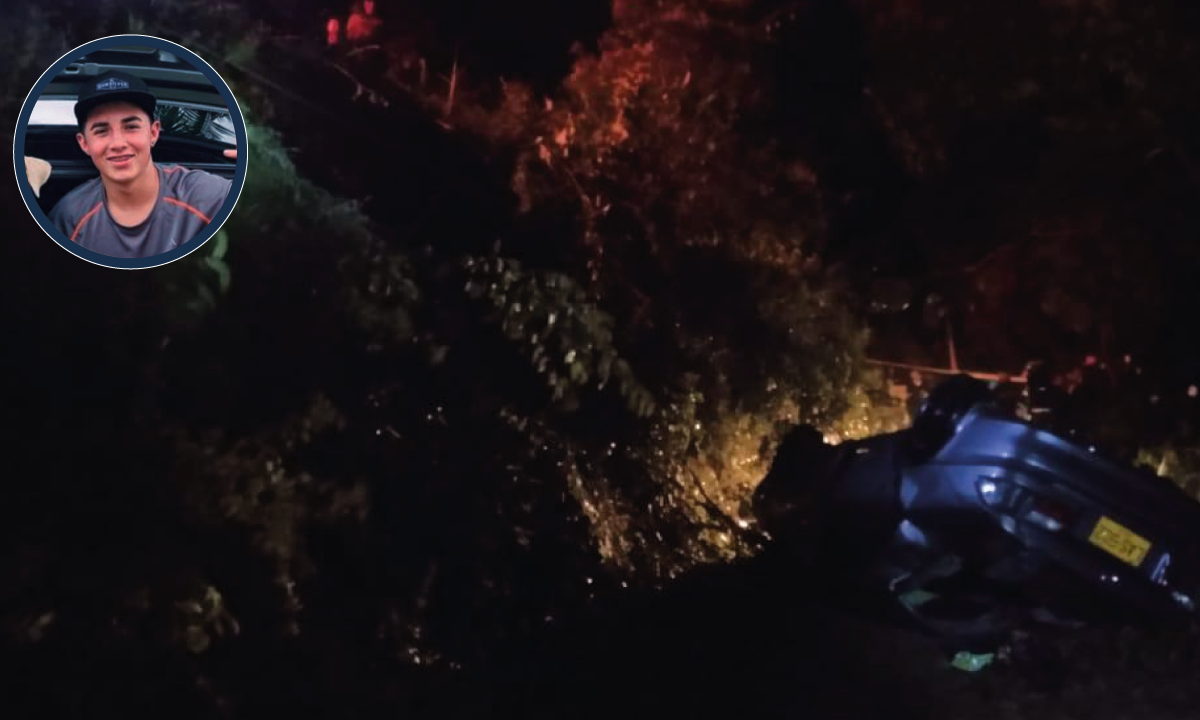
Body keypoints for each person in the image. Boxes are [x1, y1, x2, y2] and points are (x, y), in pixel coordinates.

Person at [33, 70, 237, 258]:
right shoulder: (70, 217)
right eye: (101, 131)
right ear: (84, 143)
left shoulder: (203, 196)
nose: (118, 143)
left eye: (131, 127)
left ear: (153, 133)